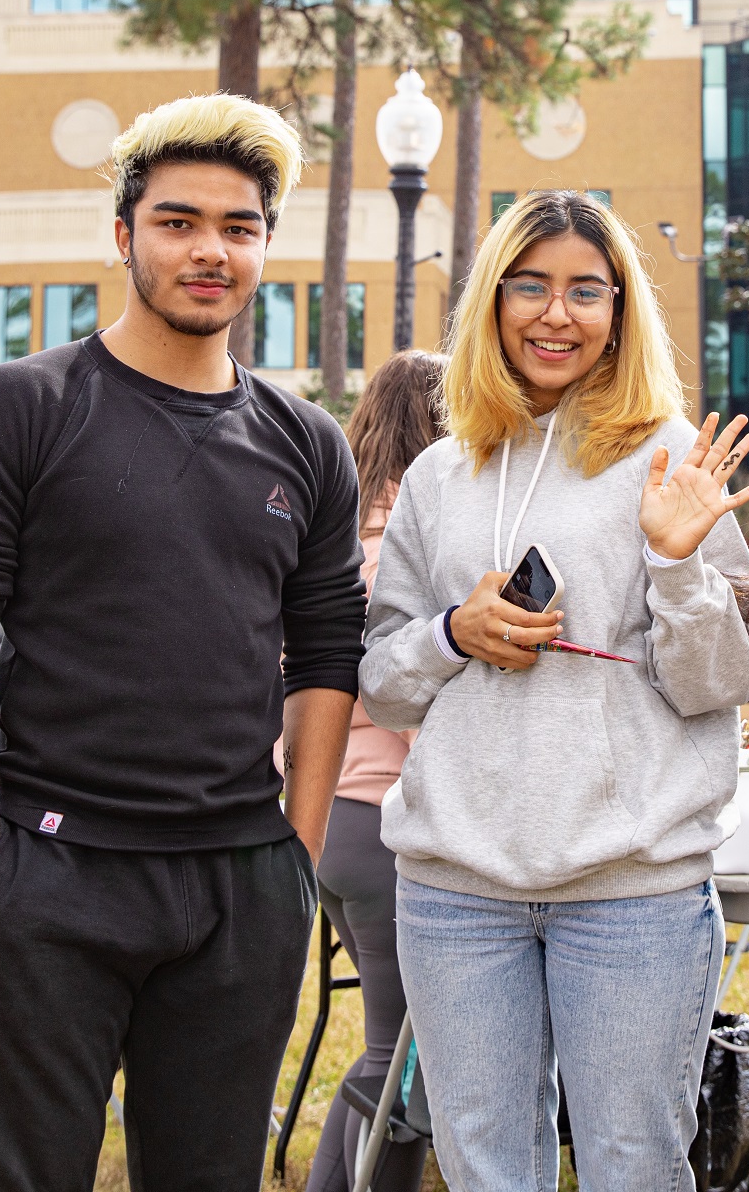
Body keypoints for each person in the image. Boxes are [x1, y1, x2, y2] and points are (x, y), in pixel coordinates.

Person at [0, 94, 365, 1191]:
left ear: (264, 246)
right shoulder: (19, 408)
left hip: (238, 885)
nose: (210, 249)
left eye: (239, 226)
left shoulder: (306, 443)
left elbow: (328, 653)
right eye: (178, 221)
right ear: (123, 236)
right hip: (50, 869)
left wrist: (293, 854)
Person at [360, 189, 749, 1192]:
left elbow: (721, 681)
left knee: (635, 1167)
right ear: (492, 303)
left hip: (632, 891)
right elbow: (381, 682)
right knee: (490, 1170)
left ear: (621, 312)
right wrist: (454, 633)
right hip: (457, 891)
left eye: (587, 290)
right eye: (530, 286)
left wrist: (676, 566)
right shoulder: (442, 476)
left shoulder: (673, 459)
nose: (557, 314)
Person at [305, 348, 446, 1192]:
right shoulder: (411, 544)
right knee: (401, 1057)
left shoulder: (335, 528)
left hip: (328, 818)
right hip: (387, 819)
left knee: (396, 1046)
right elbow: (415, 702)